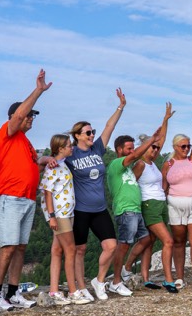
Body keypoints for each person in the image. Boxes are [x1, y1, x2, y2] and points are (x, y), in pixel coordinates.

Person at [0, 69, 52, 311]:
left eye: (33, 117)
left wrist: (46, 159)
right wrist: (38, 91)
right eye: (28, 116)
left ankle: (13, 293)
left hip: (27, 199)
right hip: (10, 197)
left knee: (20, 247)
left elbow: (32, 163)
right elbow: (18, 116)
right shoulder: (7, 133)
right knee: (8, 246)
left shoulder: (25, 142)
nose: (31, 119)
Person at [66, 88, 126, 301]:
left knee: (111, 246)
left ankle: (99, 282)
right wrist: (48, 160)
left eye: (93, 132)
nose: (92, 135)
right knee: (79, 250)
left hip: (100, 208)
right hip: (81, 210)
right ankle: (81, 287)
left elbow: (110, 126)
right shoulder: (70, 154)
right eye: (88, 133)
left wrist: (120, 107)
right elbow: (50, 159)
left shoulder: (97, 149)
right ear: (77, 136)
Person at [125, 104, 178, 292]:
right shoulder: (140, 164)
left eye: (157, 148)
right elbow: (130, 186)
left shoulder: (153, 164)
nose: (155, 150)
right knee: (168, 241)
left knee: (149, 241)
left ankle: (146, 277)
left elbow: (161, 140)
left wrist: (165, 120)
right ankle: (168, 279)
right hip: (149, 205)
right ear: (145, 147)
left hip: (160, 204)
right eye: (152, 147)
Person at [106, 133, 159, 297]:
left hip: (135, 209)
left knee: (146, 239)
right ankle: (116, 282)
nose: (132, 151)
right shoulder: (116, 164)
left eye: (132, 148)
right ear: (119, 149)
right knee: (123, 245)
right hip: (125, 210)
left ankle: (125, 268)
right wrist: (150, 140)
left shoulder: (128, 168)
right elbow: (137, 155)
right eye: (129, 148)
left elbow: (143, 158)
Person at [164, 101, 192, 292]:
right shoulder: (169, 163)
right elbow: (163, 187)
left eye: (187, 146)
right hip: (176, 205)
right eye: (183, 146)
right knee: (179, 241)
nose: (186, 148)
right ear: (175, 146)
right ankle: (180, 276)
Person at [41, 134, 84, 305]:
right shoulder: (53, 167)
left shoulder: (63, 165)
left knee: (57, 251)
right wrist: (52, 216)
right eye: (68, 145)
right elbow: (47, 192)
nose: (71, 147)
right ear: (60, 148)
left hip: (67, 213)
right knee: (70, 250)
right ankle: (73, 291)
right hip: (60, 215)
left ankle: (54, 291)